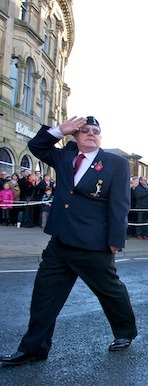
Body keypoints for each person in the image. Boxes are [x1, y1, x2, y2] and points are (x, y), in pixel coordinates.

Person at [1, 116, 137, 366]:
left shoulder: (115, 163)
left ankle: (125, 332)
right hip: (60, 241)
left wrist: (116, 240)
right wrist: (60, 130)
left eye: (96, 131)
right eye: (84, 131)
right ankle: (34, 348)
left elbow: (120, 204)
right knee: (44, 296)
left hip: (93, 244)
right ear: (75, 136)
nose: (91, 134)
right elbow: (37, 147)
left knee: (110, 292)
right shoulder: (65, 155)